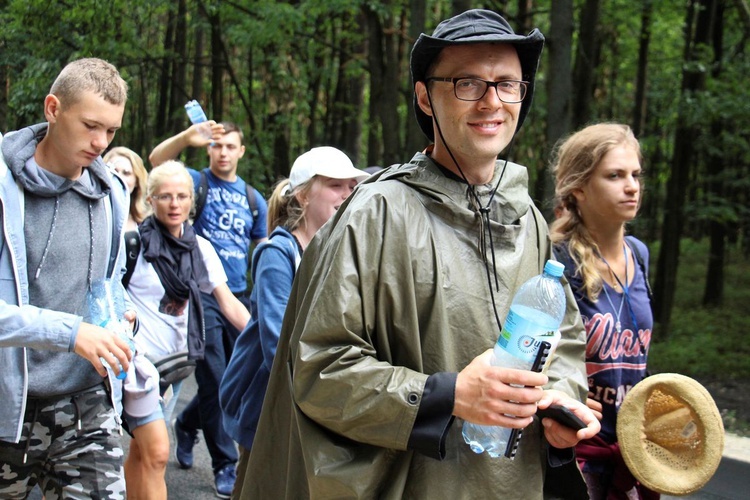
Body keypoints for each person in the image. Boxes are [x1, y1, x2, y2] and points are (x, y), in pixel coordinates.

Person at [236, 9, 600, 498]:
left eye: (507, 84)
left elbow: (566, 338)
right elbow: (320, 368)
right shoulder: (377, 213)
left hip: (513, 485)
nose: (492, 101)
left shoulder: (527, 218)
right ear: (426, 97)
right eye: (467, 83)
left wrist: (562, 398)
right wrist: (449, 395)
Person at [0, 57, 134, 498]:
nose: (100, 142)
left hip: (85, 404)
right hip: (6, 406)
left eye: (111, 131)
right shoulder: (3, 187)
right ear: (53, 108)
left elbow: (109, 284)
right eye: (90, 125)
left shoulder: (113, 191)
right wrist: (72, 332)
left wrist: (121, 318)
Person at [219, 147, 368, 475]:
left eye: (351, 187)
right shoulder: (278, 253)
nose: (347, 194)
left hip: (310, 397)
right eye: (335, 185)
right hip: (267, 402)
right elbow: (278, 342)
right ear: (302, 196)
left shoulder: (338, 251)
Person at [122, 160, 251, 499]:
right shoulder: (133, 245)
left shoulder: (201, 249)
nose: (174, 204)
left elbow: (229, 304)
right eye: (165, 196)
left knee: (143, 451)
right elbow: (110, 295)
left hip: (177, 365)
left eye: (181, 196)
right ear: (150, 199)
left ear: (191, 201)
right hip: (140, 368)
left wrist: (269, 339)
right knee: (158, 452)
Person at [149, 120, 265, 497]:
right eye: (217, 146)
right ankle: (224, 464)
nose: (224, 152)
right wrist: (186, 137)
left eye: (231, 146)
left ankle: (186, 422)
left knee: (238, 379)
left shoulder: (253, 199)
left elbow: (261, 252)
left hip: (239, 295)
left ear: (241, 151)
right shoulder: (195, 183)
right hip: (202, 295)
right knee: (215, 377)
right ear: (209, 150)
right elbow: (157, 161)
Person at [550, 123, 657, 499]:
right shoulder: (557, 262)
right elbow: (534, 358)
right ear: (578, 187)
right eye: (614, 176)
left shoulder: (639, 255)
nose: (631, 186)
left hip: (632, 452)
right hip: (578, 455)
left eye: (635, 175)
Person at [104, 146, 150, 232]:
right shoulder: (92, 216)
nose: (119, 178)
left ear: (137, 181)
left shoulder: (148, 222)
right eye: (113, 172)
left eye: (126, 173)